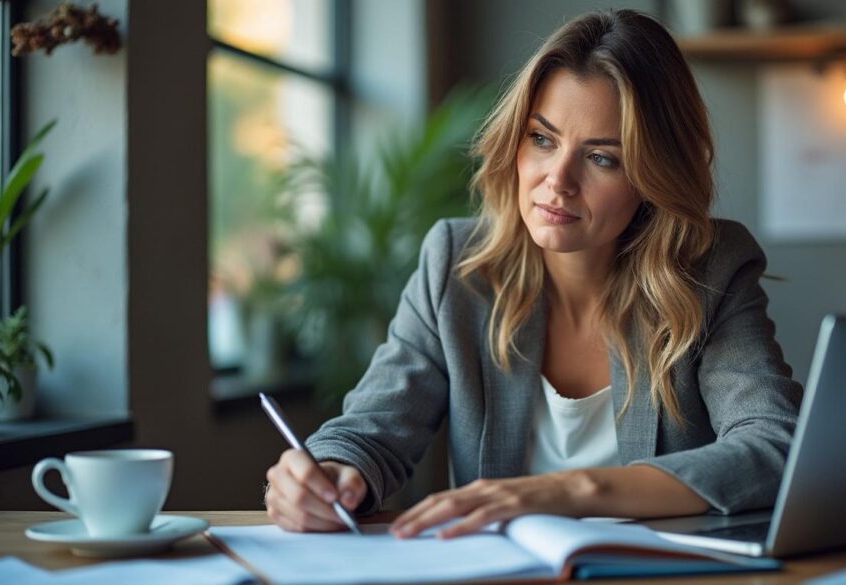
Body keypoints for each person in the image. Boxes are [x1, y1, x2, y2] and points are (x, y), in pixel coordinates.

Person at [263, 8, 802, 539]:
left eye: (603, 158)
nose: (558, 180)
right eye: (542, 139)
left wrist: (570, 491)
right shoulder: (456, 264)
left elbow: (774, 445)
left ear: (652, 177)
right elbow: (372, 430)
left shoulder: (710, 270)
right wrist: (332, 474)